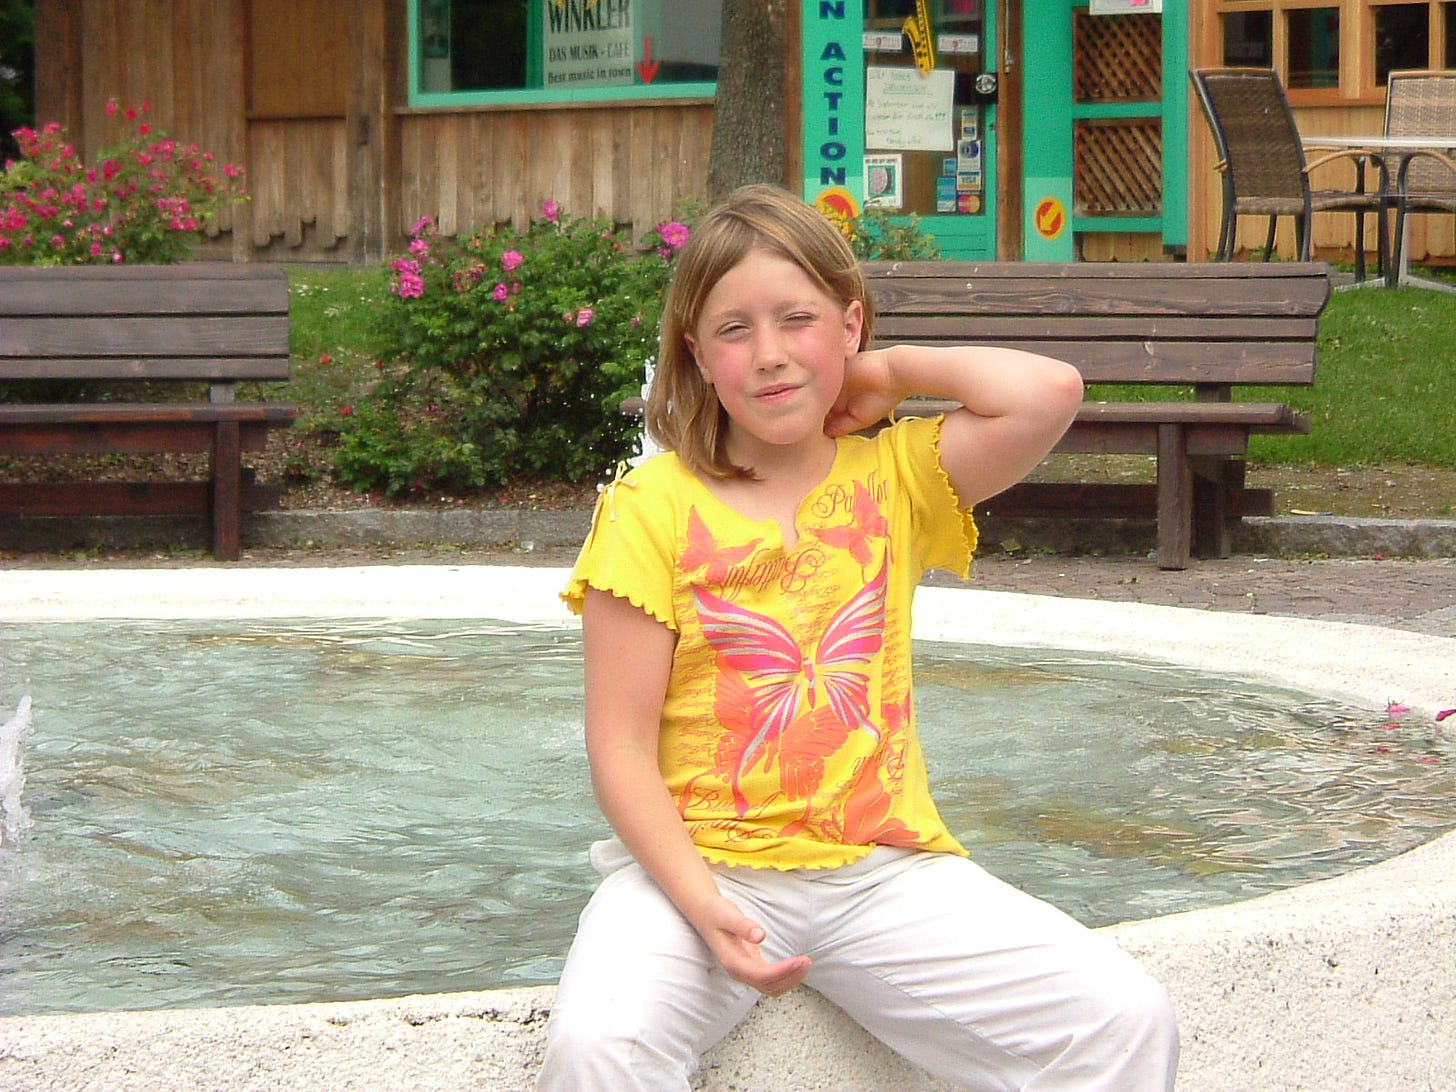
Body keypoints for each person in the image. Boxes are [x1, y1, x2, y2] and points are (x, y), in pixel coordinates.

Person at [538, 184, 1179, 1091]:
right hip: (697, 874)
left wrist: (894, 371)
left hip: (881, 876)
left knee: (1123, 1019)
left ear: (849, 324)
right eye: (733, 331)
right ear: (695, 354)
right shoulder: (650, 508)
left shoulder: (897, 475)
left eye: (797, 320)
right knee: (599, 1050)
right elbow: (619, 748)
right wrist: (702, 905)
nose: (769, 356)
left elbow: (1049, 392)